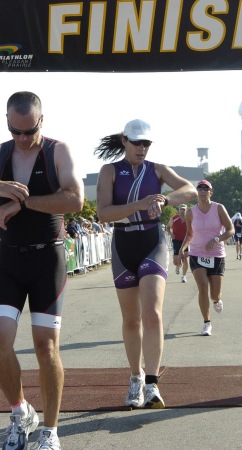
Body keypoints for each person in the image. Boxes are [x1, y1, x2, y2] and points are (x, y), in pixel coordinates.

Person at [0, 91, 84, 450]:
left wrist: (23, 202)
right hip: (6, 259)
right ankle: (20, 412)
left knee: (45, 347)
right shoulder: (2, 154)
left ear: (41, 121)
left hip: (47, 259)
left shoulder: (56, 151)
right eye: (14, 131)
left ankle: (50, 431)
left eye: (28, 131)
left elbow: (75, 200)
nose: (22, 138)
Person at [95, 119, 197, 409]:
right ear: (125, 140)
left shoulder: (158, 170)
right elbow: (103, 213)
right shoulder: (109, 171)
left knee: (152, 312)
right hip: (123, 245)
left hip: (153, 244)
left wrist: (164, 199)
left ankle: (152, 383)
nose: (142, 148)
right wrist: (140, 204)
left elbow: (189, 189)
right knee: (131, 320)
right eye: (137, 142)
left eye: (146, 143)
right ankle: (135, 376)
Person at [178, 180, 234, 336]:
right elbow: (189, 234)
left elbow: (231, 230)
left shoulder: (218, 208)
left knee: (214, 294)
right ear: (197, 192)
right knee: (202, 286)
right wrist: (182, 249)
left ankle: (216, 300)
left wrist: (217, 239)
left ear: (211, 192)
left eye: (206, 189)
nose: (202, 191)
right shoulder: (190, 212)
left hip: (216, 255)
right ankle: (206, 323)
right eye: (200, 189)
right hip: (196, 254)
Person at [166, 204, 189, 282]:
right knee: (176, 260)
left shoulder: (189, 219)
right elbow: (167, 227)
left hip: (186, 241)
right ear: (179, 210)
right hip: (176, 240)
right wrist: (170, 234)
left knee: (185, 258)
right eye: (181, 209)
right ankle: (178, 266)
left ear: (186, 210)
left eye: (184, 209)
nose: (182, 211)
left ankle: (184, 276)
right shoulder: (174, 218)